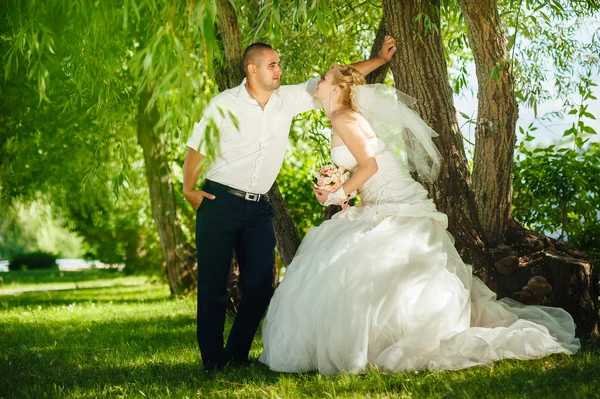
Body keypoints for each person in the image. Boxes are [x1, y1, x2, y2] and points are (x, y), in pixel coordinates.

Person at [258, 64, 580, 375]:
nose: (318, 81)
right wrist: (345, 188)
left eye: (325, 78)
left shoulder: (343, 116)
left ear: (339, 89)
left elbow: (369, 166)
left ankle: (394, 337)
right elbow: (363, 166)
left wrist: (336, 194)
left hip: (393, 197)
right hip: (379, 196)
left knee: (368, 256)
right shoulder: (341, 114)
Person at [183, 38, 398, 373]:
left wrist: (379, 59)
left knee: (259, 285)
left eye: (279, 64)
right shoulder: (224, 104)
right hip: (218, 201)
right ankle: (213, 360)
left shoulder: (290, 98)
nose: (279, 70)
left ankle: (237, 354)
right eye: (272, 65)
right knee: (212, 287)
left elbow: (341, 76)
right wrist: (188, 188)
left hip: (258, 209)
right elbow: (198, 147)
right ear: (251, 69)